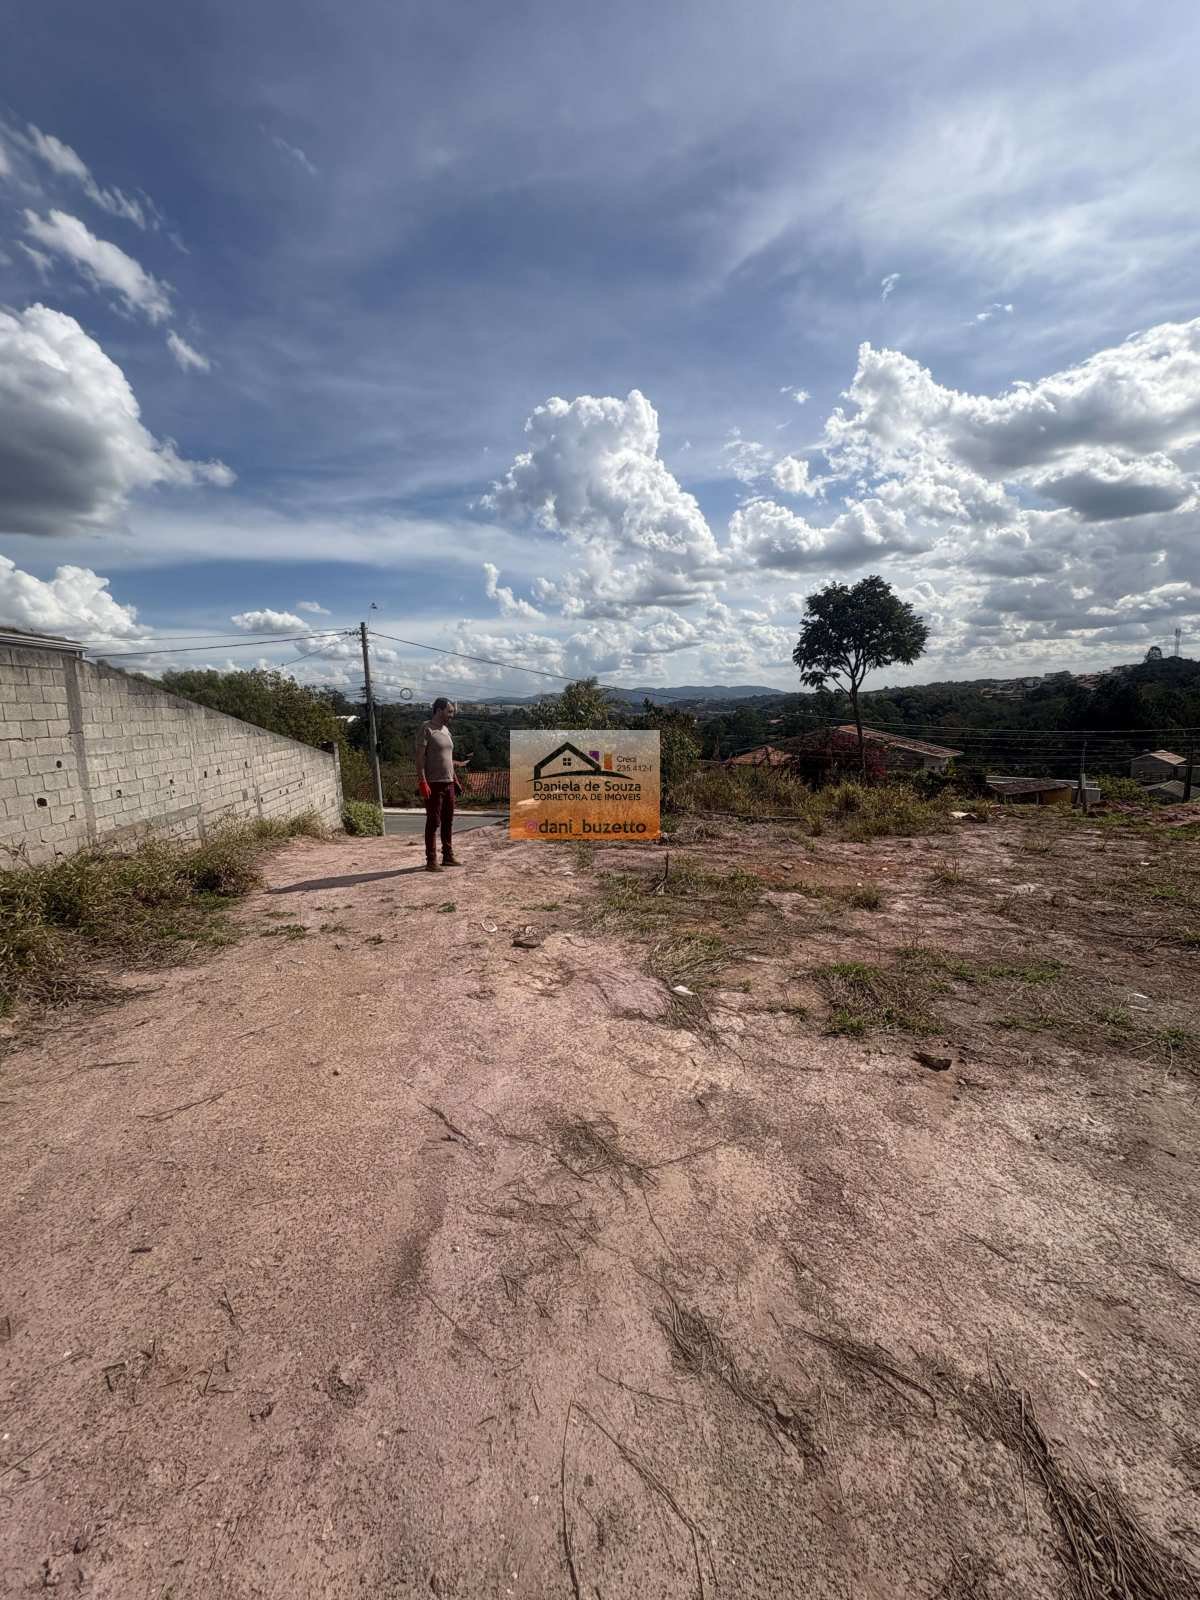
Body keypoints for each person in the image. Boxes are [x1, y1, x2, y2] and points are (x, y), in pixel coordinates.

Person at [415, 697, 463, 871]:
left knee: (448, 821)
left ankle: (448, 856)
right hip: (433, 783)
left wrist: (455, 780)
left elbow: (448, 758)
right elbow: (419, 758)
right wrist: (422, 781)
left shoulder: (446, 730)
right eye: (449, 711)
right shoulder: (426, 728)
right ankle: (431, 860)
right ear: (439, 710)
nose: (452, 715)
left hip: (448, 782)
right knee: (433, 821)